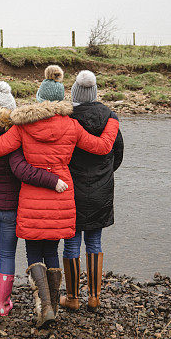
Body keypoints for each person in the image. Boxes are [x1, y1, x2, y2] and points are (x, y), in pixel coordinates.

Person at [0, 65, 119, 327]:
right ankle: (53, 304)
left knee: (33, 249)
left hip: (32, 198)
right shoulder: (71, 126)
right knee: (52, 250)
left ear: (39, 98)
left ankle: (44, 306)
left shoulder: (23, 126)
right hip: (61, 196)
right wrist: (112, 122)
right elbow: (102, 147)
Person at [0, 81, 64, 317]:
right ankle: (3, 304)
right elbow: (18, 168)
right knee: (7, 253)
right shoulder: (15, 132)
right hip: (10, 204)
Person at [60, 70, 124, 312]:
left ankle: (73, 297)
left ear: (75, 92)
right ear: (95, 93)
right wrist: (105, 174)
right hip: (101, 189)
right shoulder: (110, 117)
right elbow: (118, 154)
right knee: (95, 242)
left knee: (71, 242)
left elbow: (61, 154)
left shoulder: (67, 118)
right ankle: (95, 297)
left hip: (72, 188)